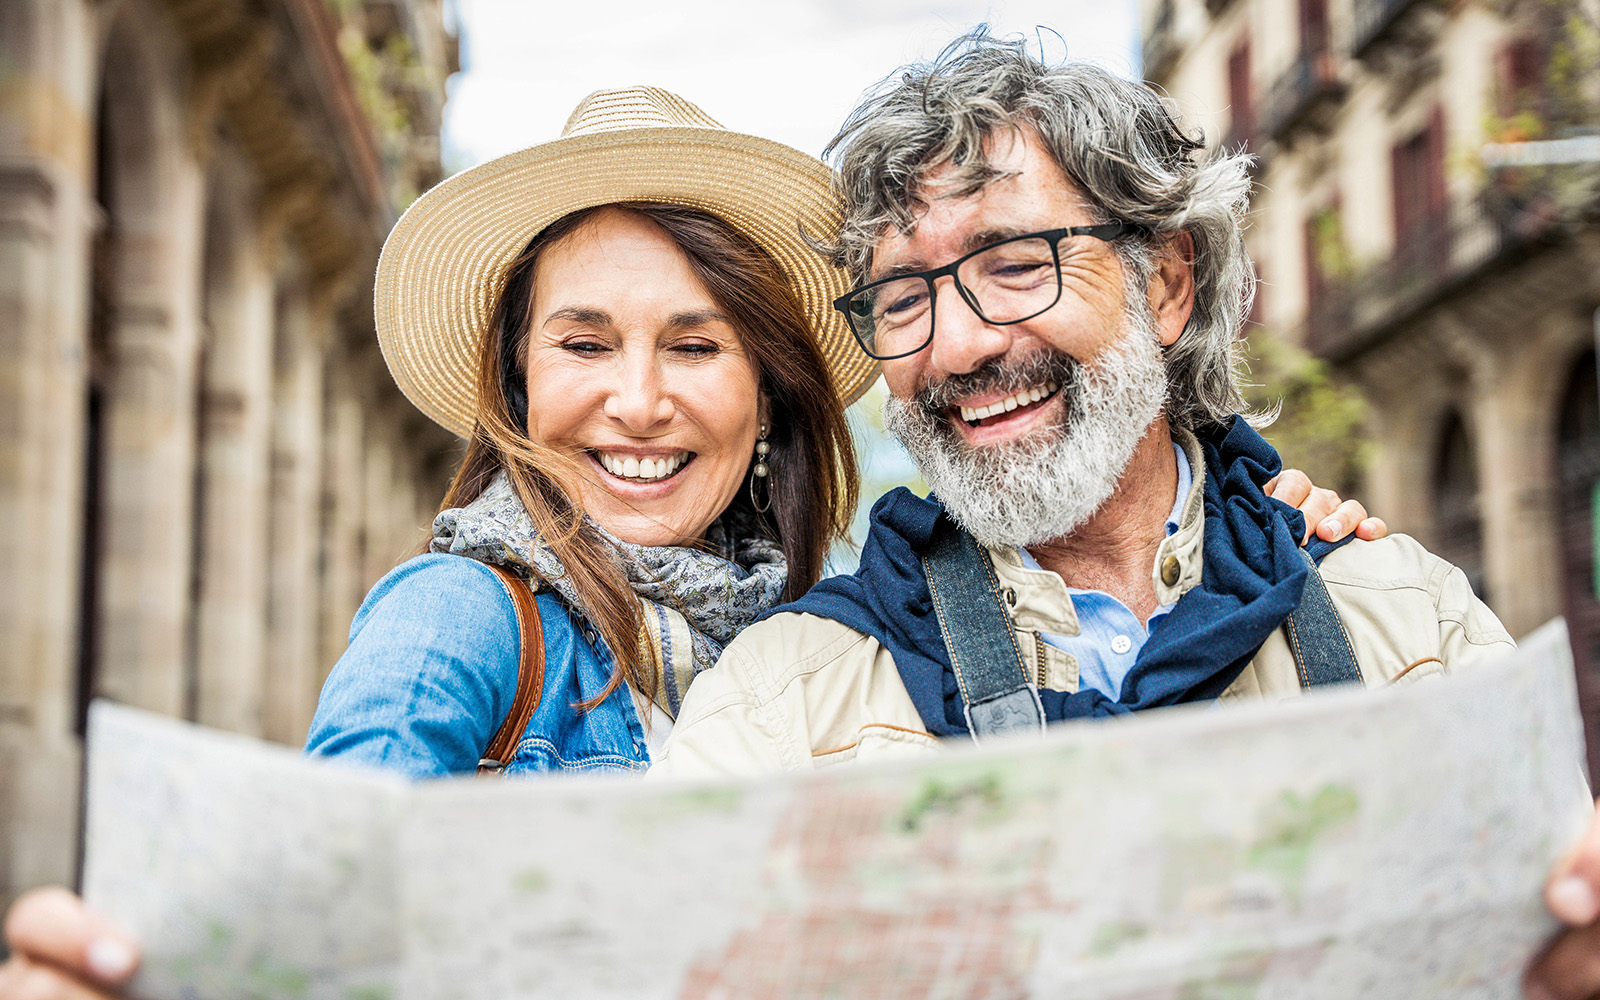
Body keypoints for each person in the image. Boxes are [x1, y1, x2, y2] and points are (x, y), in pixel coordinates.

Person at [0, 80, 1378, 997]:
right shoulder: (459, 616)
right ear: (520, 382)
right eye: (583, 343)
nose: (639, 401)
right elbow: (306, 941)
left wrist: (1285, 537)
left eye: (695, 345)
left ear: (770, 392)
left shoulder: (821, 639)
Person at [639, 33, 1600, 999]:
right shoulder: (784, 702)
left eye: (1015, 264)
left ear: (1167, 284)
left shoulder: (1408, 622)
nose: (959, 347)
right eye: (902, 298)